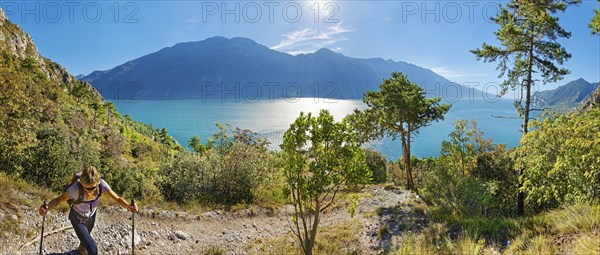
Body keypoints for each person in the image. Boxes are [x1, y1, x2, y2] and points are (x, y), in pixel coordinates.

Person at [38, 166, 138, 255]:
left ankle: (80, 251)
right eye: (87, 188)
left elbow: (118, 199)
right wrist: (47, 208)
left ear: (98, 183)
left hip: (91, 216)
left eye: (93, 187)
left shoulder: (102, 185)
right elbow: (58, 200)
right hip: (77, 218)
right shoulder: (75, 189)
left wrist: (129, 207)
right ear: (82, 184)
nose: (90, 191)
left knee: (85, 244)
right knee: (93, 250)